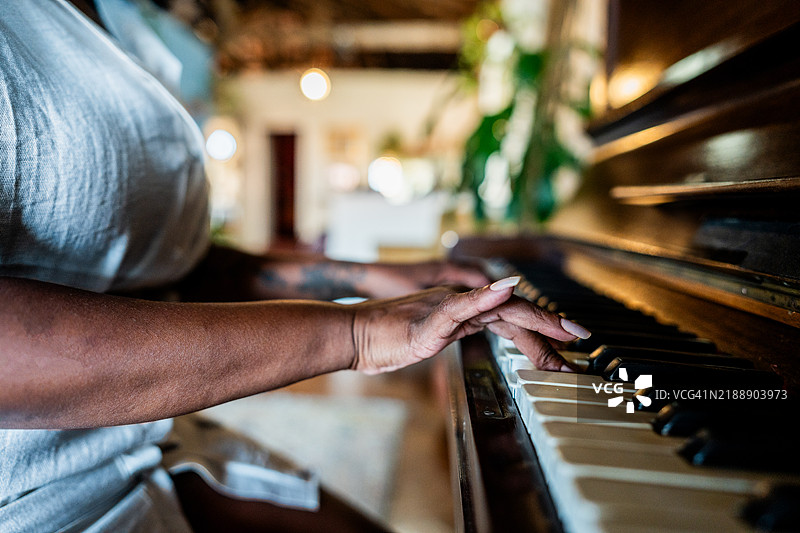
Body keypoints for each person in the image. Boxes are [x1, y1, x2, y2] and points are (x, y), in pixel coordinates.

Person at [0, 1, 590, 531]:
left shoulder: (120, 19)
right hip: (39, 496)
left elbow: (163, 266)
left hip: (142, 442)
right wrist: (357, 333)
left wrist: (363, 277)